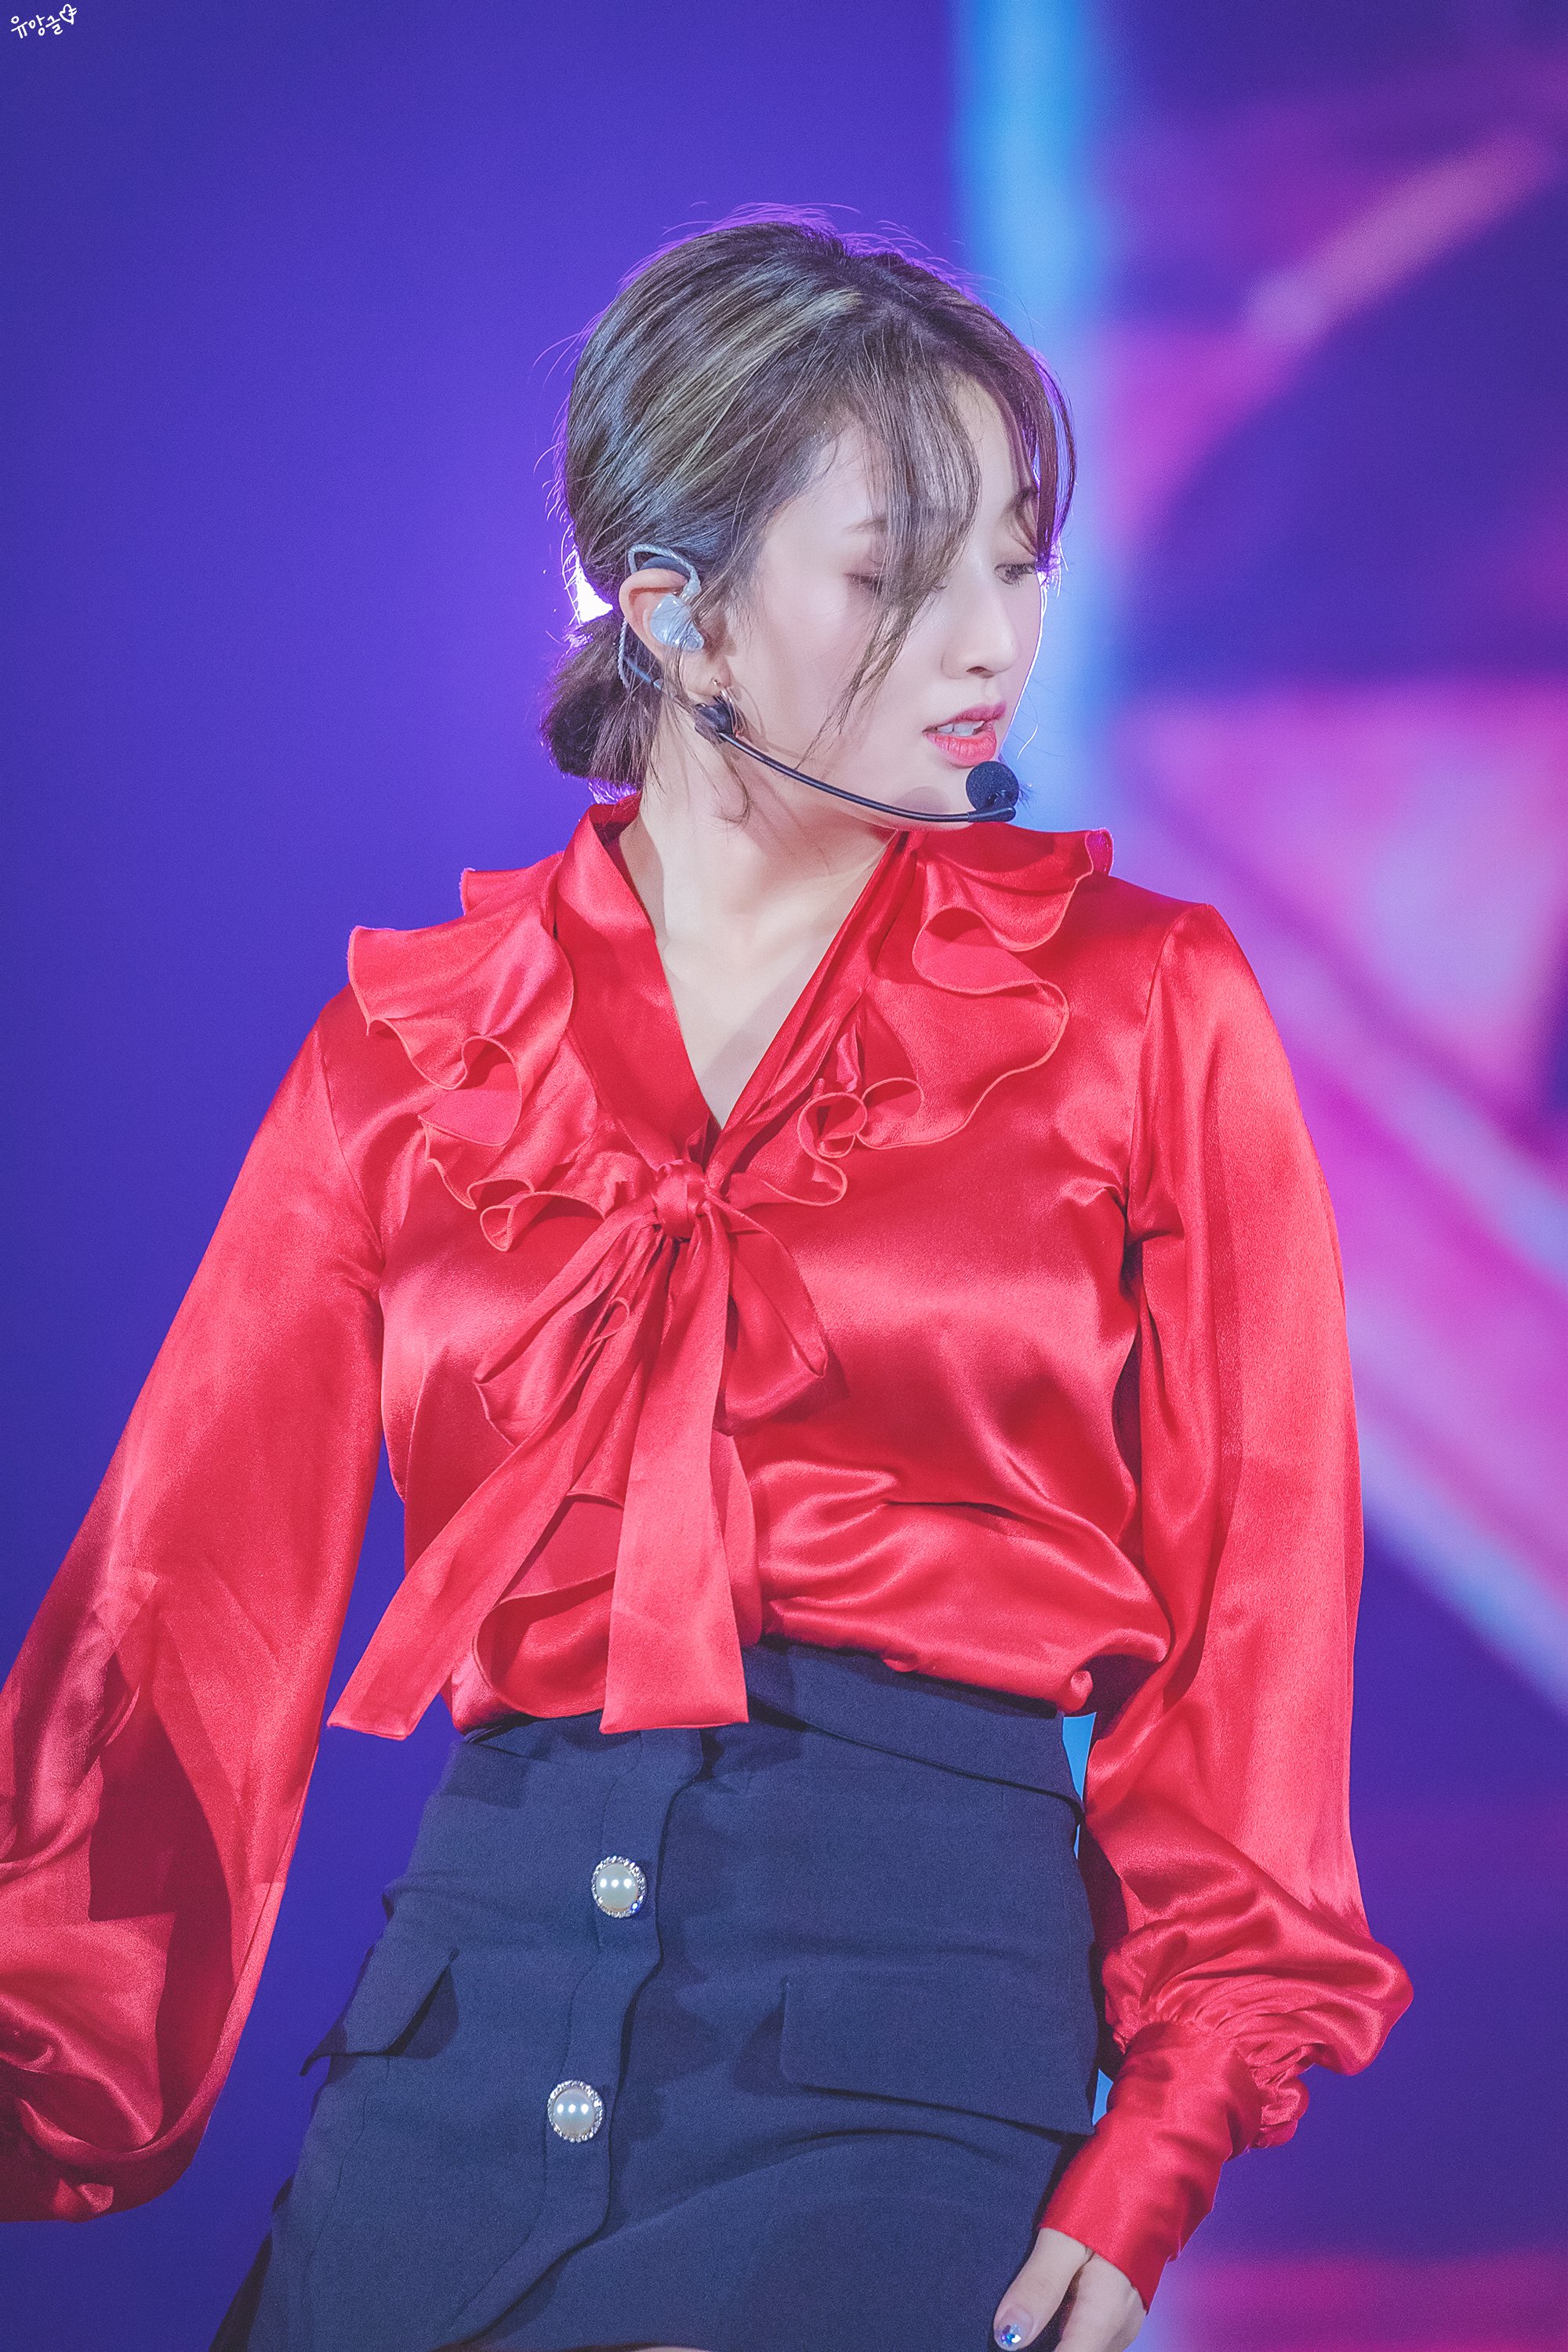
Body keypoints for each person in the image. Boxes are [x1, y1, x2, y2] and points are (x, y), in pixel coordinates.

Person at [0, 216, 1413, 2352]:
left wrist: (1169, 2128)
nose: (992, 640)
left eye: (1020, 560)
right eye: (898, 573)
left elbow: (1260, 1603)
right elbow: (176, 1612)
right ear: (679, 616)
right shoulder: (409, 1054)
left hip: (907, 2032)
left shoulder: (1142, 1006)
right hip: (458, 2035)